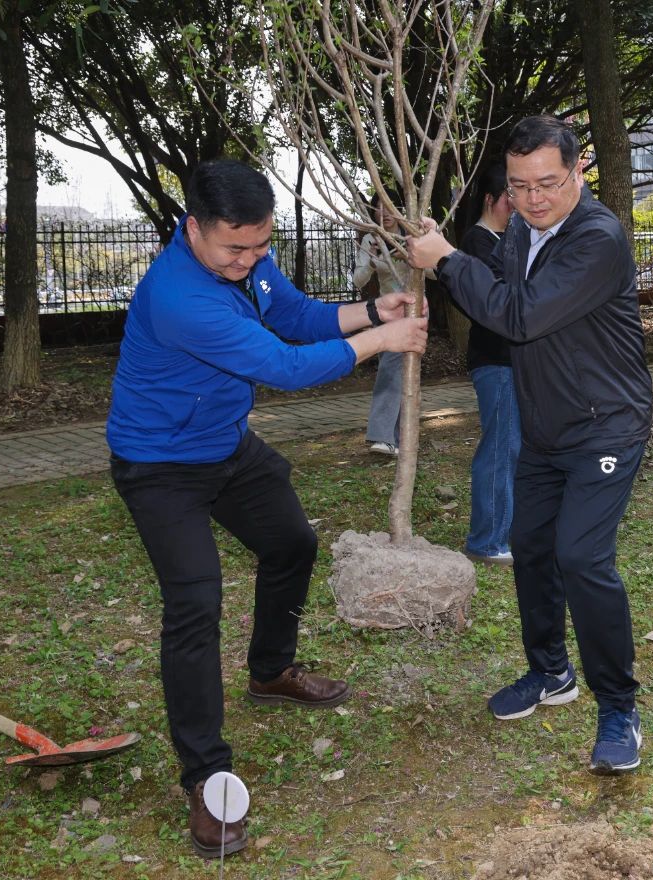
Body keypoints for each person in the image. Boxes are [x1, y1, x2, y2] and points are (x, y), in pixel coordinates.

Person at [106, 159, 427, 858]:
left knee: (291, 544)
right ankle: (206, 776)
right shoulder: (179, 297)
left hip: (226, 446)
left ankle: (270, 672)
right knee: (195, 606)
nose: (249, 260)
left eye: (260, 245)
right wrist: (381, 343)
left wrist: (375, 311)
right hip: (159, 465)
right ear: (193, 227)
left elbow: (295, 316)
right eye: (236, 248)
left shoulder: (246, 259)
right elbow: (284, 365)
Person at [407, 115, 653, 776]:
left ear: (578, 172)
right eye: (519, 186)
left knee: (581, 557)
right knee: (531, 550)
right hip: (545, 427)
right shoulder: (521, 228)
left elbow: (520, 314)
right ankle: (550, 672)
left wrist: (448, 261)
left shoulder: (598, 237)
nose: (533, 198)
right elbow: (502, 289)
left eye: (547, 183)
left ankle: (619, 708)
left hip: (606, 426)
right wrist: (444, 248)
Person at [457, 161, 519, 567]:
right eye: (510, 198)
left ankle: (507, 531)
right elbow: (498, 298)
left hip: (518, 361)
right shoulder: (477, 242)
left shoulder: (508, 237)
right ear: (490, 199)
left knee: (516, 448)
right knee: (500, 447)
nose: (517, 206)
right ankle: (487, 540)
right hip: (495, 360)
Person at [352, 193, 424, 454]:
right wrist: (372, 261)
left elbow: (434, 272)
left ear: (399, 208)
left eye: (388, 207)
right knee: (396, 372)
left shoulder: (411, 236)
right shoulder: (371, 239)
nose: (383, 213)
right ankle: (399, 439)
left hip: (414, 311)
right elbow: (358, 280)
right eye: (378, 208)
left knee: (396, 371)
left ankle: (385, 436)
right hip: (388, 315)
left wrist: (411, 257)